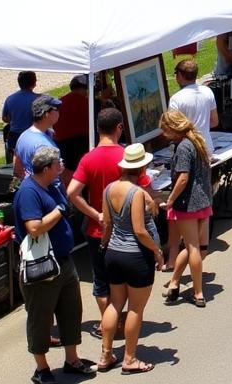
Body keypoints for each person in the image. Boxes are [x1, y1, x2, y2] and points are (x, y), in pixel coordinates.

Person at [14, 145, 97, 383]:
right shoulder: (29, 192)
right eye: (58, 163)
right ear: (47, 167)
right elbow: (34, 227)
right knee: (40, 318)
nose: (62, 166)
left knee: (71, 312)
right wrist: (59, 211)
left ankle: (72, 360)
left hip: (64, 261)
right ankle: (41, 370)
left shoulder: (52, 185)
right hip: (42, 267)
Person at [67, 108, 153, 326]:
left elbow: (71, 193)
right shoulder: (126, 158)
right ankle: (125, 323)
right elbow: (146, 193)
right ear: (120, 128)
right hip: (128, 233)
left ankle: (109, 326)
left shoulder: (88, 159)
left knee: (102, 282)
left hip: (97, 231)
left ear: (98, 129)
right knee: (126, 284)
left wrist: (95, 214)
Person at [98, 143, 165, 373]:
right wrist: (156, 250)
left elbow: (106, 224)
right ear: (143, 168)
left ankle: (106, 354)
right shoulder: (136, 193)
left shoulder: (109, 189)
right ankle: (129, 358)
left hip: (114, 253)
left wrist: (105, 245)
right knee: (135, 308)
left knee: (115, 303)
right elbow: (139, 230)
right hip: (135, 256)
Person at [159, 109, 214, 301]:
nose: (164, 135)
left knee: (192, 247)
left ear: (174, 128)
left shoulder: (183, 147)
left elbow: (183, 178)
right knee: (194, 246)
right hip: (203, 201)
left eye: (165, 131)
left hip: (187, 203)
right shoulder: (198, 140)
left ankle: (198, 292)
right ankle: (175, 283)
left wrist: (171, 200)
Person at [168, 59, 219, 157]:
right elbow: (214, 122)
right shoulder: (207, 91)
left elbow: (173, 131)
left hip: (188, 152)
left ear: (180, 75)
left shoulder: (176, 99)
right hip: (207, 148)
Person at [14, 95, 62, 179]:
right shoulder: (44, 145)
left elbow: (17, 168)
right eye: (56, 109)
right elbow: (50, 177)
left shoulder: (24, 135)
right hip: (46, 189)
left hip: (30, 184)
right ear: (46, 114)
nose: (59, 112)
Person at [50, 76, 90, 172]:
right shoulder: (86, 102)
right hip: (81, 143)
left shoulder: (59, 102)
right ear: (83, 88)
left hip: (62, 144)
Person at [1, 69, 38, 162]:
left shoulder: (10, 98)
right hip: (33, 136)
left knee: (17, 164)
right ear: (34, 83)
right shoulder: (38, 99)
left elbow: (4, 118)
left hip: (14, 136)